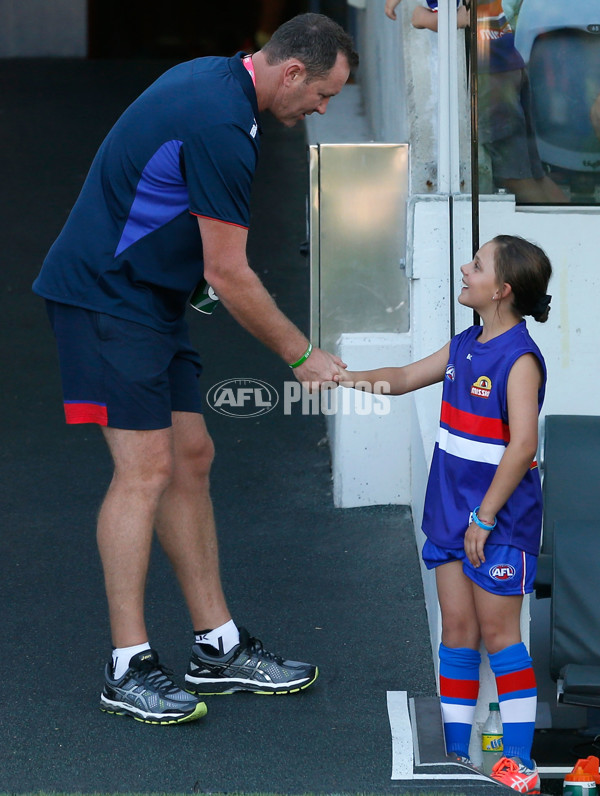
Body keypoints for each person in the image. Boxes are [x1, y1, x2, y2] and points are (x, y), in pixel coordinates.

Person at [32, 13, 358, 725]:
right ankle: (127, 665)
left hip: (146, 298)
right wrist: (301, 355)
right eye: (324, 95)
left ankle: (217, 646)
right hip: (106, 299)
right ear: (292, 71)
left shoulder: (220, 81)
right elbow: (230, 272)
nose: (322, 110)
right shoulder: (220, 125)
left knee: (191, 455)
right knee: (145, 469)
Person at [336, 235, 551, 794]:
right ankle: (458, 753)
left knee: (500, 637)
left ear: (501, 290)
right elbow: (405, 378)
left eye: (476, 265)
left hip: (497, 524)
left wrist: (483, 518)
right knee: (456, 630)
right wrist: (342, 377)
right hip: (450, 517)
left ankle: (519, 764)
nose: (464, 267)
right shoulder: (464, 343)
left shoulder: (521, 358)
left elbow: (523, 445)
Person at [385, 0, 567, 204]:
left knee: (515, 178)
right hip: (510, 68)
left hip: (494, 79)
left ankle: (562, 232)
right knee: (536, 176)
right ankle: (575, 227)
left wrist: (429, 17)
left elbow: (446, 18)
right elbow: (438, 16)